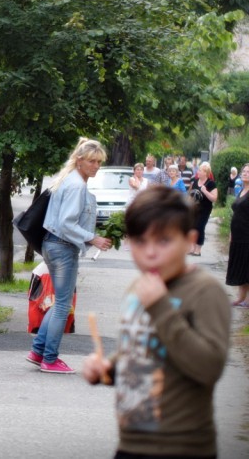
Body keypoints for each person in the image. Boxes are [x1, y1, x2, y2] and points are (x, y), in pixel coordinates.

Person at [82, 186, 230, 458]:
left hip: (181, 447)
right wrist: (107, 368)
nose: (149, 252)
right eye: (139, 241)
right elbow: (140, 350)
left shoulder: (204, 291)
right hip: (130, 444)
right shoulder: (139, 288)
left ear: (189, 240)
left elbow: (210, 367)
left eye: (163, 241)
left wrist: (161, 307)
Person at [26, 137, 113, 374]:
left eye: (99, 162)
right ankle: (49, 359)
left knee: (60, 303)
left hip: (54, 245)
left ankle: (38, 351)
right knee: (63, 305)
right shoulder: (76, 185)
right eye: (93, 161)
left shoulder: (70, 180)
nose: (96, 166)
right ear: (79, 161)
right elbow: (66, 223)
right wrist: (92, 238)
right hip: (62, 247)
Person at [227, 164, 249, 308]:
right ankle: (241, 297)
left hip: (247, 235)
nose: (245, 173)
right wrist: (231, 234)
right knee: (240, 267)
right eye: (244, 171)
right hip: (238, 235)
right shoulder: (242, 190)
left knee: (248, 267)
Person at [188, 162, 217, 257]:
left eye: (200, 170)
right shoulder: (195, 182)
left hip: (205, 208)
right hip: (194, 208)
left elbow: (214, 198)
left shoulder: (211, 183)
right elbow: (191, 193)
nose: (198, 172)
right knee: (192, 226)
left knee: (200, 227)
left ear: (206, 173)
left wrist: (205, 191)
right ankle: (192, 248)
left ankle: (198, 249)